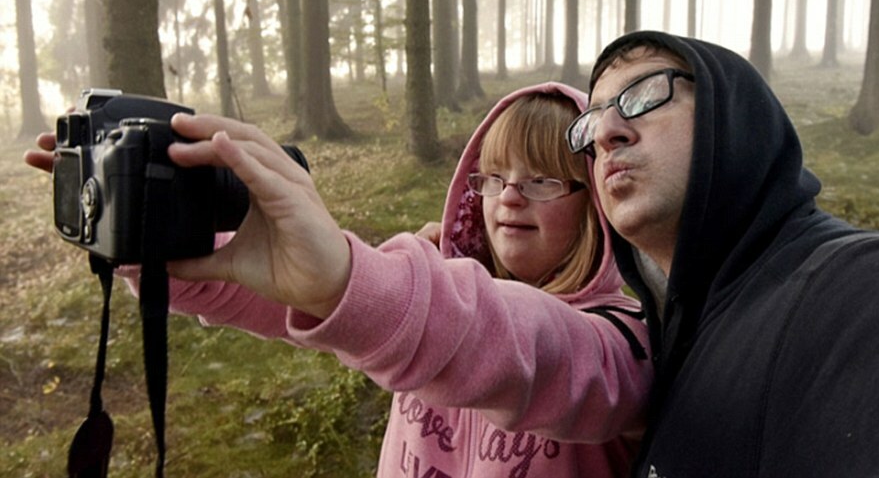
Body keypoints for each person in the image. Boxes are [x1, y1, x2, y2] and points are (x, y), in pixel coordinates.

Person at [27, 83, 652, 478]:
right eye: (492, 175)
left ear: (595, 201)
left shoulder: (623, 345)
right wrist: (139, 228)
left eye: (541, 179)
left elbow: (517, 347)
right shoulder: (430, 288)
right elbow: (261, 293)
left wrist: (357, 279)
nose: (509, 197)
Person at [566, 30, 879, 477]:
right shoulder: (679, 341)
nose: (605, 133)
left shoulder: (877, 285)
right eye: (592, 119)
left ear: (734, 118)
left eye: (644, 94)